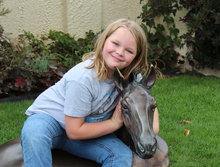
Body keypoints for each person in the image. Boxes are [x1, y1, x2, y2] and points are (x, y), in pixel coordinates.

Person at [21, 18, 159, 167]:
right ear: (104, 41)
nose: (119, 52)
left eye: (129, 50)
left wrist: (150, 131)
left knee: (120, 156)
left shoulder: (131, 77)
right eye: (115, 44)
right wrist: (114, 123)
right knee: (34, 135)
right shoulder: (82, 79)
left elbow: (147, 101)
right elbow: (74, 131)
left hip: (88, 128)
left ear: (136, 57)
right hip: (51, 121)